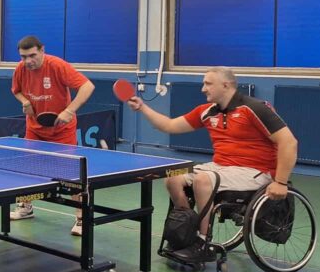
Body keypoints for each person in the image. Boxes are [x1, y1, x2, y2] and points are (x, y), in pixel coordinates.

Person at [126, 66, 297, 261]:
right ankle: (187, 233)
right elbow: (169, 125)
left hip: (256, 171)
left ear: (226, 85)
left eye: (208, 84)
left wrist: (281, 182)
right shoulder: (207, 112)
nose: (203, 89)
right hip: (222, 167)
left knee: (202, 179)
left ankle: (203, 242)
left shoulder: (254, 108)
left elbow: (289, 142)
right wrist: (142, 107)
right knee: (172, 176)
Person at [10, 35, 95, 235]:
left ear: (42, 50)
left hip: (61, 129)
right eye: (23, 57)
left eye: (32, 55)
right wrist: (24, 101)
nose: (28, 61)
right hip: (35, 127)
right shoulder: (20, 68)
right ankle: (26, 207)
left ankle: (82, 217)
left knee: (71, 173)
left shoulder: (57, 65)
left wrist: (70, 110)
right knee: (27, 168)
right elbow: (16, 90)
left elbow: (87, 86)